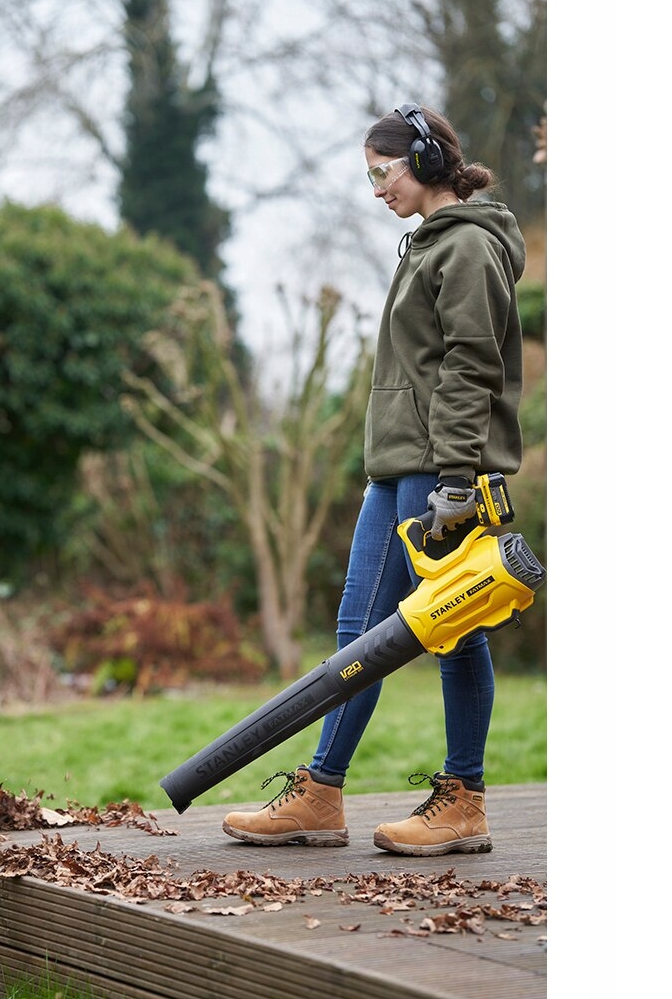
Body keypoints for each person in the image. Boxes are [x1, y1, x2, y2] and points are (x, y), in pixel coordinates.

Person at [221, 104, 526, 855]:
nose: (376, 188)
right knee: (359, 634)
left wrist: (456, 481)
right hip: (396, 468)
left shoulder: (467, 250)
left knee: (452, 634)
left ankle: (461, 801)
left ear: (424, 162)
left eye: (381, 172)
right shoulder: (427, 245)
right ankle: (321, 797)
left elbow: (469, 368)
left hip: (436, 470)